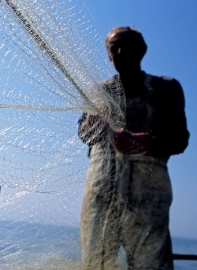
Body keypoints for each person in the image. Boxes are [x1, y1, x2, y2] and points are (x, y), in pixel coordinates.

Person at [78, 26, 189, 269]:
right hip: (100, 193)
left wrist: (141, 141)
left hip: (148, 195)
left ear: (142, 50)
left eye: (127, 45)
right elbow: (84, 133)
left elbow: (179, 139)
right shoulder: (97, 92)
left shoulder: (166, 88)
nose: (120, 51)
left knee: (150, 264)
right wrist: (92, 123)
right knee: (96, 263)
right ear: (109, 56)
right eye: (113, 48)